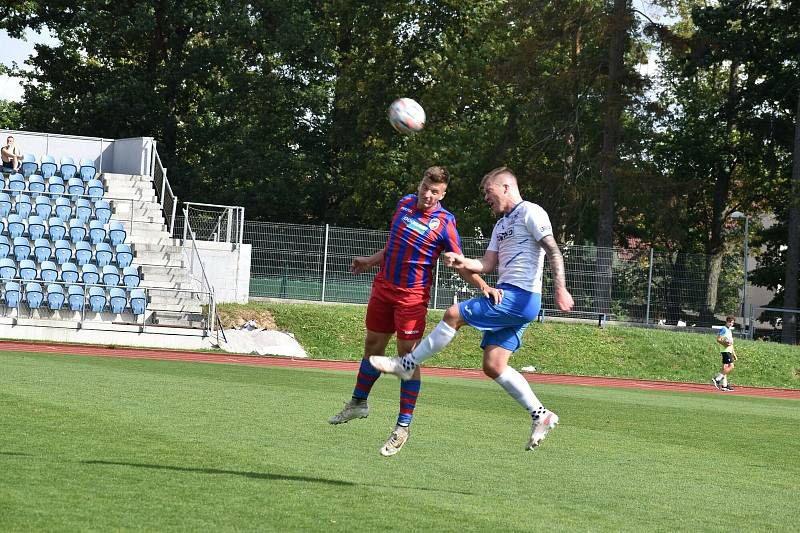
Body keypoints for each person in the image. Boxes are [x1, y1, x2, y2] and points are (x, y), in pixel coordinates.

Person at [370, 166, 574, 451]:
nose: (485, 198)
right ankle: (541, 415)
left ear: (505, 187)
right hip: (510, 298)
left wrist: (560, 288)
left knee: (454, 314)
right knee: (493, 365)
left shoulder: (531, 212)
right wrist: (461, 262)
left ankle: (406, 364)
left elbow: (552, 249)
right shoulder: (500, 226)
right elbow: (487, 265)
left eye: (488, 191)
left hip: (521, 296)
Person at [328, 165, 498, 457]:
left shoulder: (445, 223)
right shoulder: (404, 204)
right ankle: (358, 403)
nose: (427, 195)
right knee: (373, 348)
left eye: (435, 192)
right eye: (425, 188)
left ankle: (403, 426)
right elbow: (393, 247)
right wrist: (370, 261)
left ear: (443, 194)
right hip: (383, 287)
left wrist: (482, 284)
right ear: (419, 185)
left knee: (409, 358)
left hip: (412, 297)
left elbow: (459, 263)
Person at [712, 315, 737, 392]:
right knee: (731, 366)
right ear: (727, 321)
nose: (731, 324)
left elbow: (731, 344)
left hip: (728, 351)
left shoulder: (729, 331)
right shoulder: (724, 329)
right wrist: (724, 344)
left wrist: (734, 353)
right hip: (725, 351)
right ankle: (717, 378)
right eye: (730, 322)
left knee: (725, 368)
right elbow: (718, 339)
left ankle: (724, 386)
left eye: (732, 322)